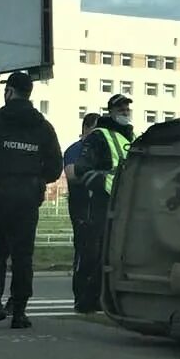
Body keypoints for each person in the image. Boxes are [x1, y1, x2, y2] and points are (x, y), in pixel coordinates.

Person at [0, 71, 63, 329]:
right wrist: (34, 179)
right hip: (27, 199)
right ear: (29, 93)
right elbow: (55, 167)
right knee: (22, 256)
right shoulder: (43, 127)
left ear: (8, 92)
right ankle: (19, 312)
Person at [73, 93, 135, 314]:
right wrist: (106, 182)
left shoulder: (130, 137)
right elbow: (82, 170)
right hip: (102, 204)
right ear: (110, 111)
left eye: (127, 108)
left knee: (114, 255)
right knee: (95, 253)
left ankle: (102, 299)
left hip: (124, 205)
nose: (125, 112)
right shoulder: (99, 136)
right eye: (120, 109)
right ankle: (85, 300)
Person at [63, 112, 100, 312]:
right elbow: (71, 173)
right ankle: (81, 296)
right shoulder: (76, 150)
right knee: (84, 250)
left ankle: (96, 297)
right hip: (81, 206)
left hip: (99, 207)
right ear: (86, 128)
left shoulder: (100, 149)